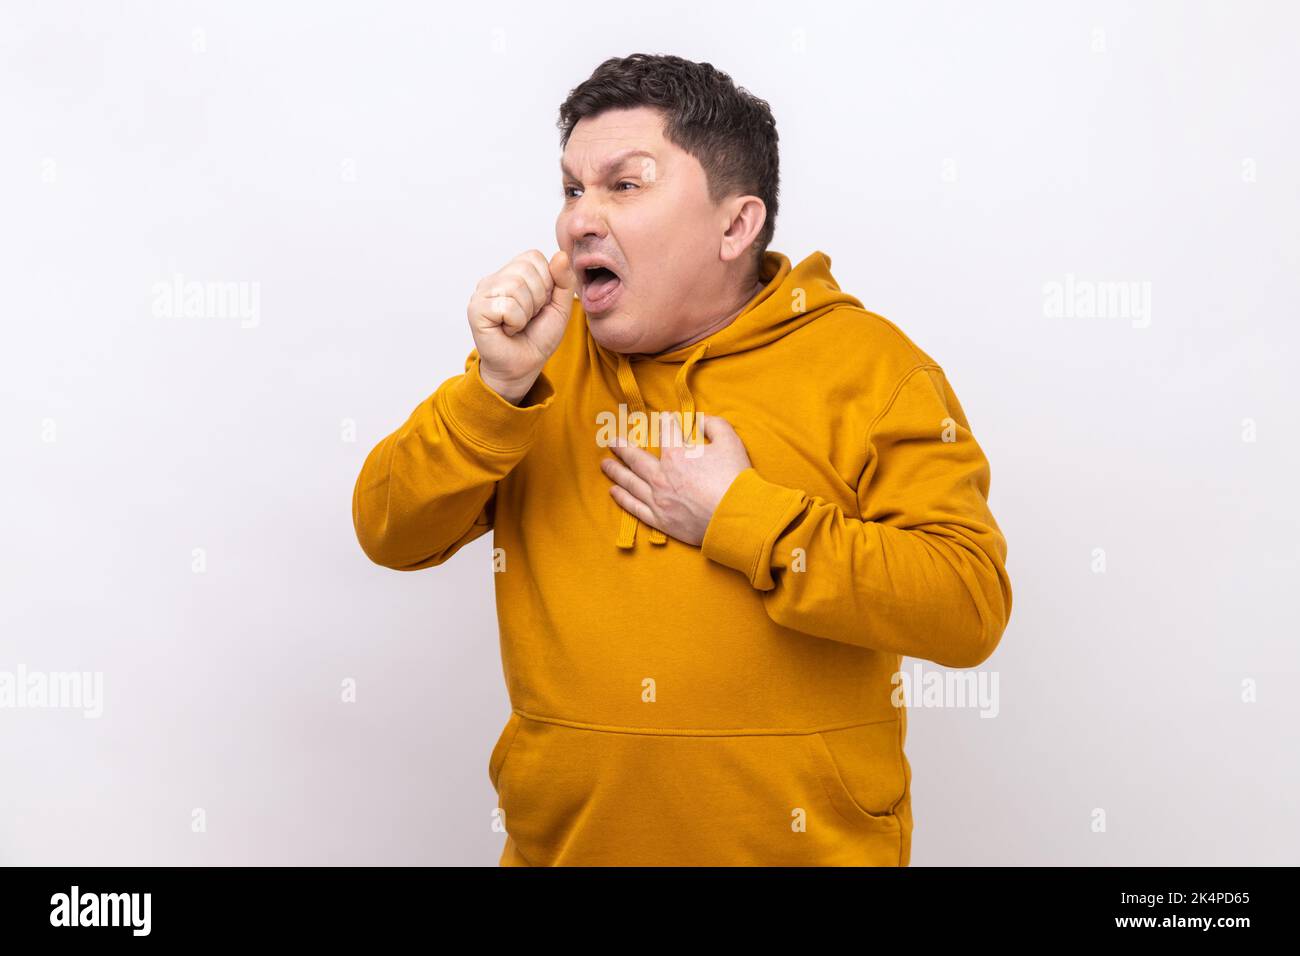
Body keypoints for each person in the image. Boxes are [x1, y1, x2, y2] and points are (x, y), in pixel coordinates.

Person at [352, 53, 1012, 866]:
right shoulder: (536, 368)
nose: (576, 221)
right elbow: (388, 530)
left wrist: (743, 516)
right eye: (571, 189)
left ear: (734, 226)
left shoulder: (873, 370)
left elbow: (966, 605)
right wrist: (493, 389)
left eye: (624, 185)